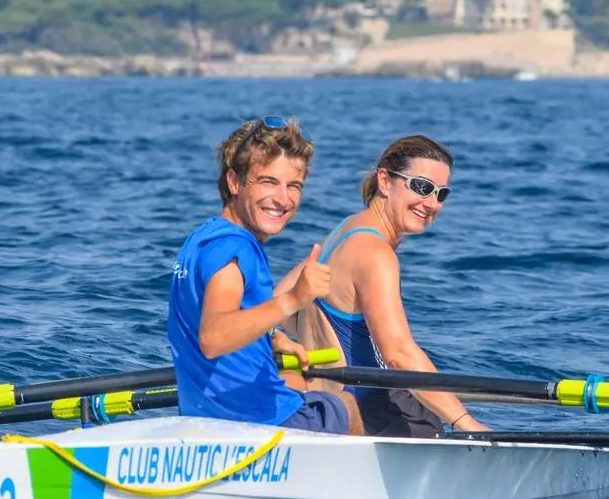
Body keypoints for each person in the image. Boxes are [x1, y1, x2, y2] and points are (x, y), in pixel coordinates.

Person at [285, 135, 489, 437]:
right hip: (366, 409)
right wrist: (468, 423)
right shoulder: (375, 254)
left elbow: (279, 302)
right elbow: (398, 353)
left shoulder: (347, 227)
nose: (431, 203)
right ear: (384, 180)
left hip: (326, 401)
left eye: (441, 194)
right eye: (421, 187)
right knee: (438, 417)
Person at [167, 116, 360, 435]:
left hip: (203, 416)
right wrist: (293, 298)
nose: (283, 199)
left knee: (298, 380)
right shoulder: (235, 250)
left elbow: (223, 314)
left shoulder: (201, 239)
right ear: (234, 182)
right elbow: (214, 338)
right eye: (268, 182)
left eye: (293, 186)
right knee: (347, 407)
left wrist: (273, 338)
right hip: (255, 423)